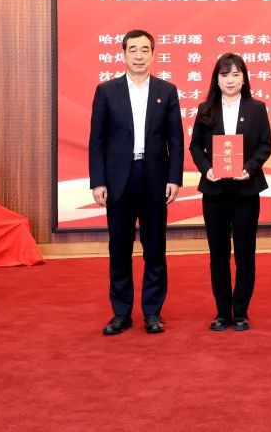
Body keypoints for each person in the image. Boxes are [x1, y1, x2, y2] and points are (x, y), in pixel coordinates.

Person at [89, 29, 183, 335]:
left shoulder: (166, 91)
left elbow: (175, 140)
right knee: (120, 248)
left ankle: (153, 312)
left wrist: (174, 178)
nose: (139, 56)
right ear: (124, 54)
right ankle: (121, 313)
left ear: (153, 54)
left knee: (155, 248)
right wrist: (98, 181)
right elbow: (97, 141)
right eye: (133, 50)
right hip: (119, 180)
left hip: (154, 177)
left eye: (145, 50)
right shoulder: (107, 91)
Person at [189, 53, 271, 332]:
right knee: (219, 253)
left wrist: (249, 168)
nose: (230, 80)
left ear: (244, 78)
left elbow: (265, 144)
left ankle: (241, 312)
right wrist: (206, 169)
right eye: (224, 75)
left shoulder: (256, 108)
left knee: (245, 253)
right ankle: (222, 312)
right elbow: (195, 146)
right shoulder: (205, 109)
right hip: (215, 191)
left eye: (236, 74)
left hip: (246, 190)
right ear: (217, 79)